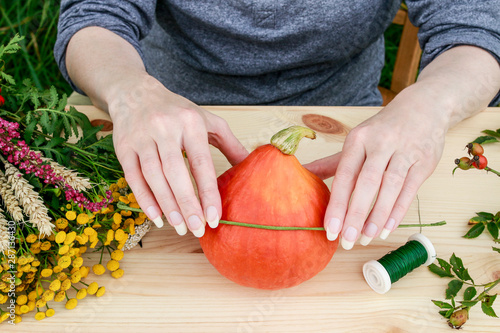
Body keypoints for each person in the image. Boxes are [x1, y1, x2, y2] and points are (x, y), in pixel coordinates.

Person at [55, 1, 500, 250]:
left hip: (347, 128)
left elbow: (478, 28)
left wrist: (430, 105)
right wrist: (130, 92)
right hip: (166, 127)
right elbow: (93, 18)